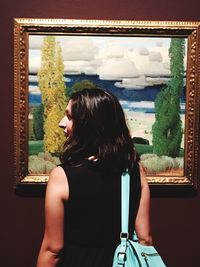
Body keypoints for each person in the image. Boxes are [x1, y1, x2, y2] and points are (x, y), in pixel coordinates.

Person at [36, 87, 152, 267]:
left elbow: (53, 249)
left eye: (69, 116)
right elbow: (145, 239)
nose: (61, 123)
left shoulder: (62, 176)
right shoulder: (134, 170)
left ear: (88, 125)